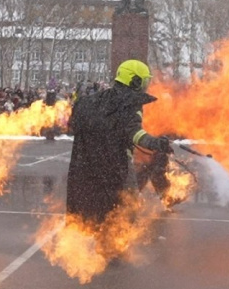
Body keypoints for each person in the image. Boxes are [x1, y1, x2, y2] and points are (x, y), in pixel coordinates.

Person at [66, 59, 173, 227]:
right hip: (114, 166)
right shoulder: (130, 103)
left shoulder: (90, 101)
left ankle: (96, 237)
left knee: (89, 209)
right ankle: (114, 244)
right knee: (128, 207)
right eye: (144, 81)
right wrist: (156, 144)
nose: (146, 85)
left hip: (84, 165)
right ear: (135, 81)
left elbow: (72, 126)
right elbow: (135, 133)